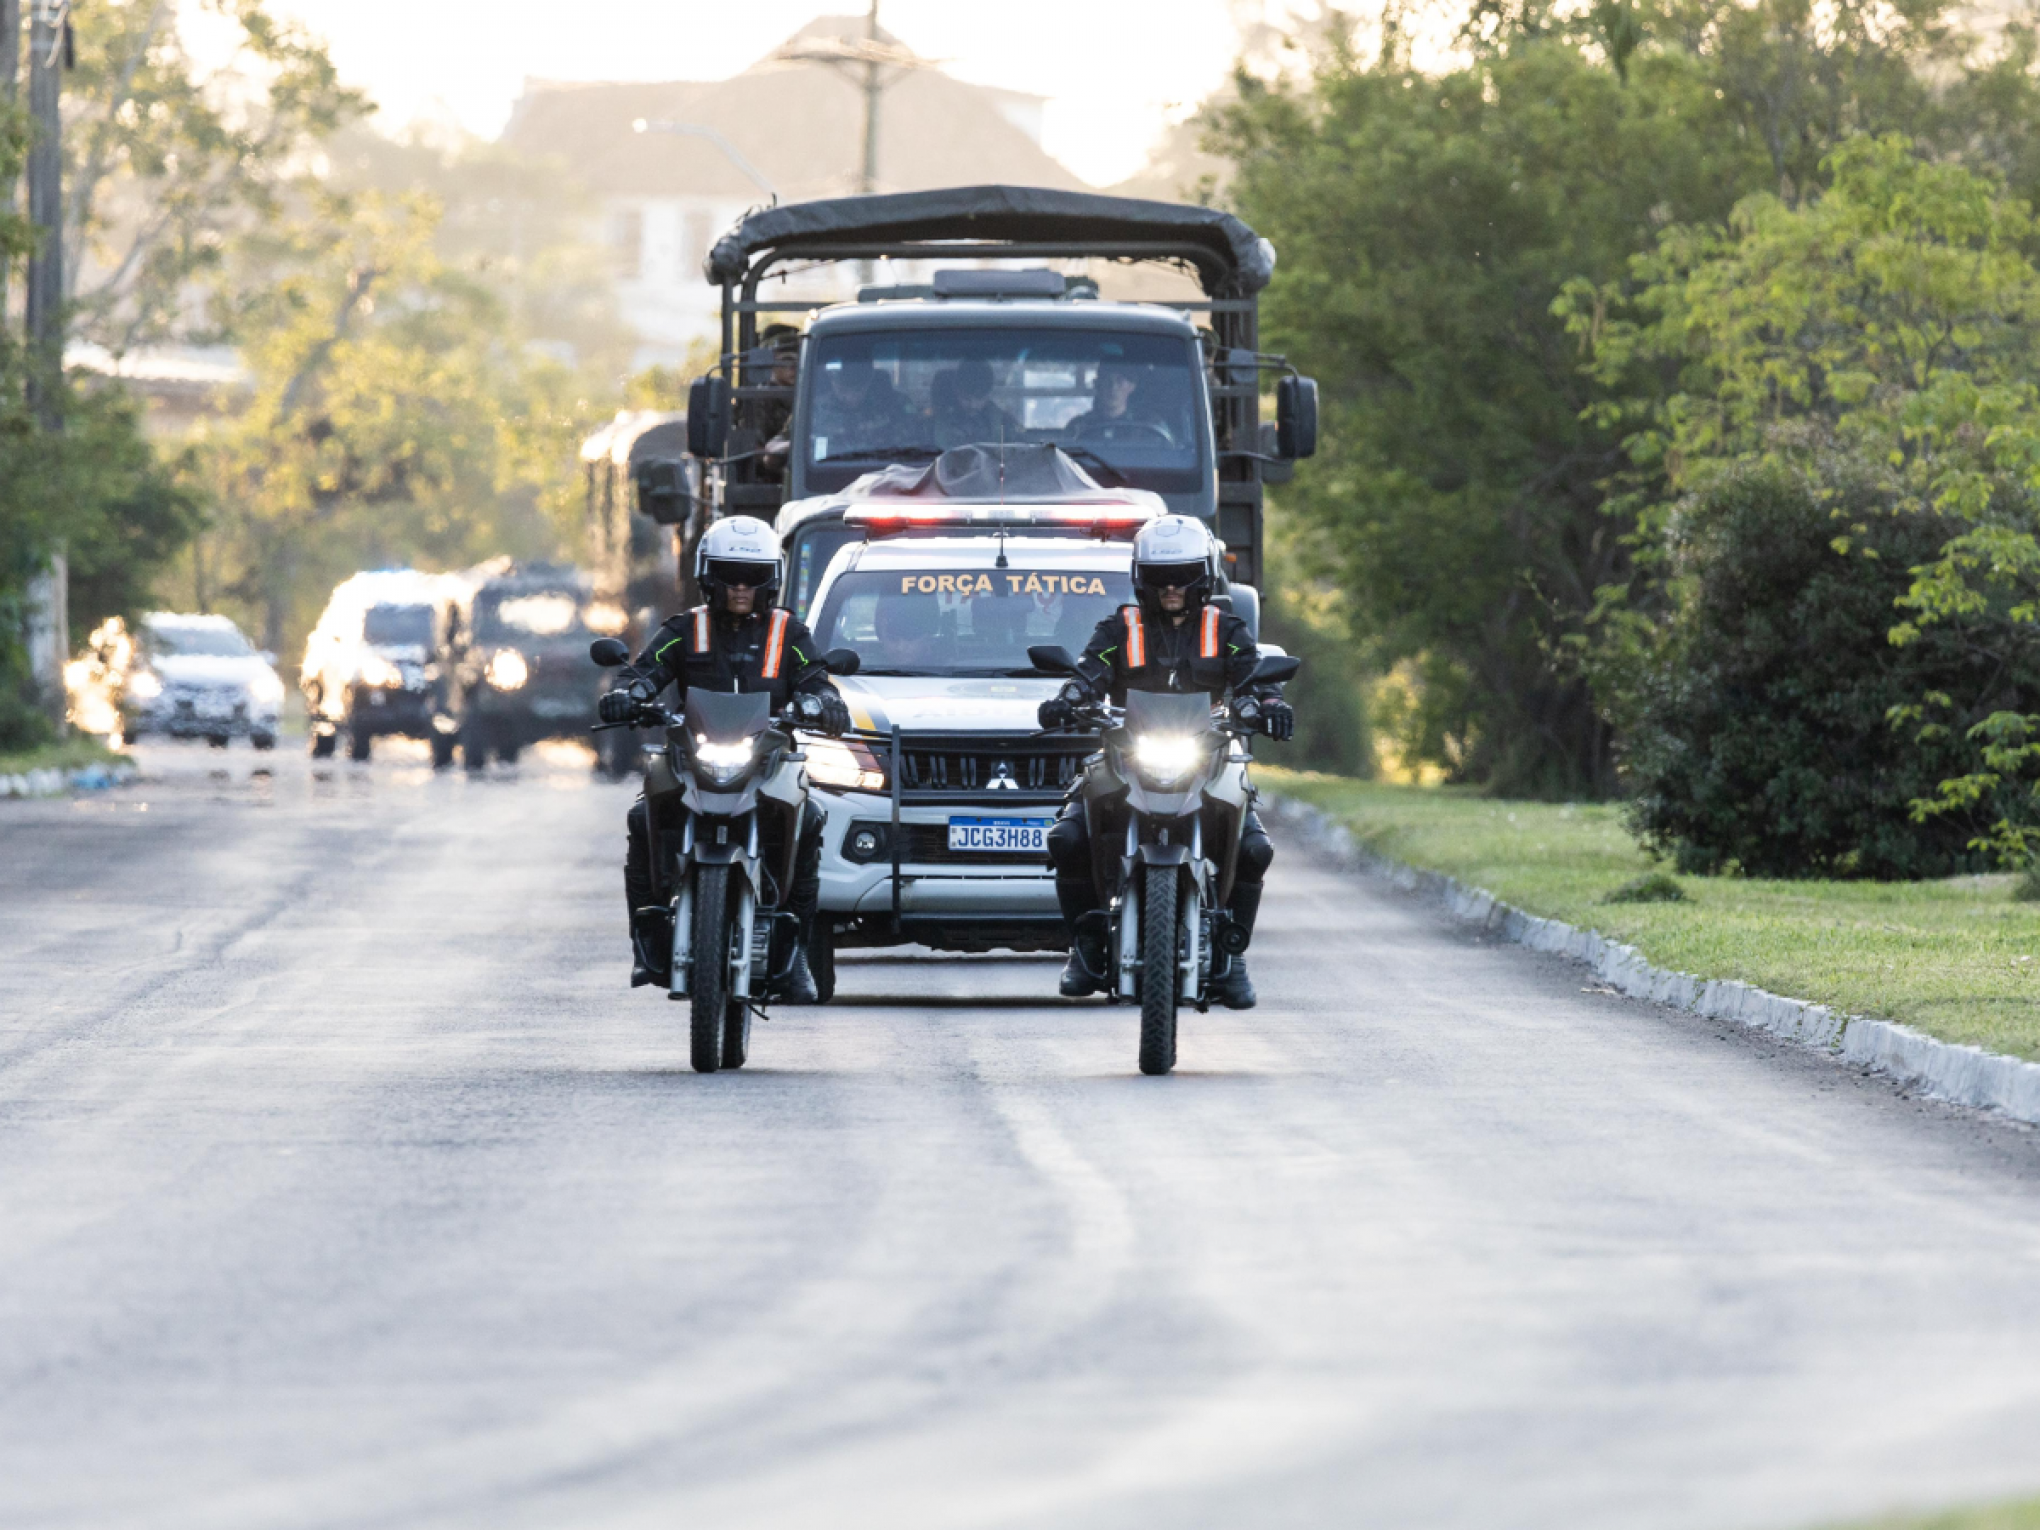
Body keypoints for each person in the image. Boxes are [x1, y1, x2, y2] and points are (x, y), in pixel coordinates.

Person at [1037, 516, 1294, 1008]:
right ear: (1140, 578)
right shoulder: (1120, 627)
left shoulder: (1227, 628)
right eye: (1158, 577)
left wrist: (1270, 706)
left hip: (1209, 757)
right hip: (1124, 753)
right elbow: (1089, 672)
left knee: (1256, 849)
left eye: (1182, 575)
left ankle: (1232, 958)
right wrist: (1068, 697)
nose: (1171, 587)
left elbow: (1255, 676)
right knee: (1066, 839)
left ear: (1205, 575)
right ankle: (1084, 947)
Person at [598, 516, 852, 997]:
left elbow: (816, 681)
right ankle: (646, 936)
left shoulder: (789, 635)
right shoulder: (683, 629)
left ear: (770, 580)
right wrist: (627, 693)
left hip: (769, 760)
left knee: (812, 818)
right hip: (692, 757)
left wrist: (826, 704)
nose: (740, 586)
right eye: (729, 573)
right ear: (707, 575)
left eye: (753, 576)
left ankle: (795, 950)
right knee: (640, 817)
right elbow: (647, 671)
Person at [810, 358, 914, 457]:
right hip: (828, 470)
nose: (850, 397)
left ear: (868, 383)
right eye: (842, 390)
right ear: (833, 383)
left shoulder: (895, 406)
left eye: (858, 390)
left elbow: (911, 450)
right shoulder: (814, 410)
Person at [933, 359, 1020, 449]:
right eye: (966, 398)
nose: (972, 405)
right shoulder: (932, 423)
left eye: (980, 398)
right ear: (956, 391)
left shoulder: (1005, 423)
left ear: (989, 394)